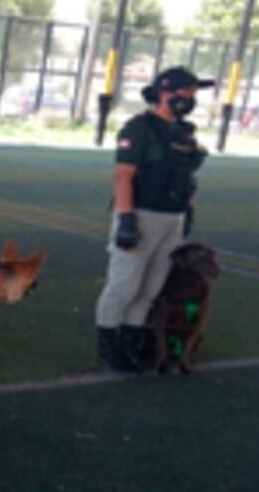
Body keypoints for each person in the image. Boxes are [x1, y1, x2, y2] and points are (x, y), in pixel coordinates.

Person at [95, 66, 210, 374]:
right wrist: (127, 220)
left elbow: (186, 178)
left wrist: (186, 214)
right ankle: (108, 345)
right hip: (142, 213)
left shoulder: (185, 133)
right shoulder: (139, 129)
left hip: (172, 218)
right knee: (123, 285)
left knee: (151, 286)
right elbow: (123, 176)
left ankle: (131, 340)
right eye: (185, 94)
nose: (190, 100)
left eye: (192, 95)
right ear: (165, 92)